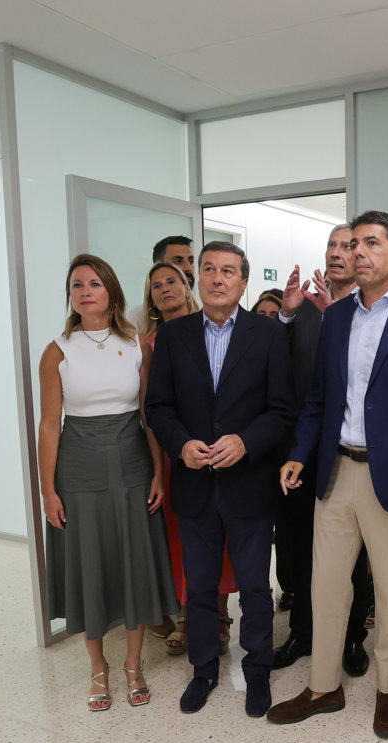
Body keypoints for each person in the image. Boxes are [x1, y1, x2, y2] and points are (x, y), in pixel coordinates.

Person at [266, 210, 388, 740]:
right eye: (353, 244)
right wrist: (300, 454)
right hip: (335, 473)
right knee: (326, 588)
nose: (357, 253)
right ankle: (323, 686)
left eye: (370, 243)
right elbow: (319, 398)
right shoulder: (336, 318)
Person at [144, 241, 294, 718]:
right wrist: (180, 444)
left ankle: (257, 669)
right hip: (194, 485)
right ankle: (204, 669)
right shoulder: (174, 336)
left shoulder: (268, 335)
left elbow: (282, 411)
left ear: (243, 282)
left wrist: (246, 441)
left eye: (228, 271)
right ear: (198, 279)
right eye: (208, 269)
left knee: (254, 588)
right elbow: (157, 407)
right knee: (201, 588)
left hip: (249, 483)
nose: (217, 278)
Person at [38, 254, 179, 712]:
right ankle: (98, 668)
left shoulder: (136, 342)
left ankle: (133, 665)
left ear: (111, 292)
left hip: (133, 461)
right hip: (78, 467)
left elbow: (149, 415)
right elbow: (49, 425)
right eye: (77, 285)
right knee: (90, 563)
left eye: (94, 284)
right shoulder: (57, 351)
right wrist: (47, 490)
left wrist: (158, 472)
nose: (85, 292)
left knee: (133, 562)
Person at [269, 224, 373, 679]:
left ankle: (352, 635)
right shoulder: (305, 305)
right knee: (298, 544)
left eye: (347, 246)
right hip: (301, 448)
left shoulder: (367, 311)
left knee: (353, 552)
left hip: (349, 451)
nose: (337, 253)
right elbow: (275, 365)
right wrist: (286, 316)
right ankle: (302, 632)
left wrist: (339, 321)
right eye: (332, 245)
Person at [140, 262, 238, 657]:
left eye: (172, 281)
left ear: (187, 287)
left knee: (222, 534)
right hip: (169, 451)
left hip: (219, 450)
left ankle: (220, 615)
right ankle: (186, 615)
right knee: (180, 537)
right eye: (156, 285)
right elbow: (151, 405)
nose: (165, 289)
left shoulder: (211, 328)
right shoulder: (146, 342)